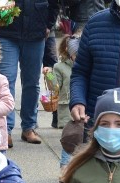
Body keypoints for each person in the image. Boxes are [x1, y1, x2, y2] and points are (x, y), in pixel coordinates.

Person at [0, 0, 59, 146]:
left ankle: (29, 127)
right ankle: (5, 129)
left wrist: (49, 25)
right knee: (6, 81)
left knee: (32, 83)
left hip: (36, 33)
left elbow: (55, 3)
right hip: (5, 32)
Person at [52, 34, 78, 169]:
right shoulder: (60, 67)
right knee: (70, 138)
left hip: (85, 108)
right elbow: (54, 87)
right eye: (76, 54)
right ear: (69, 53)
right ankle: (64, 166)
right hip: (67, 108)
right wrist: (49, 75)